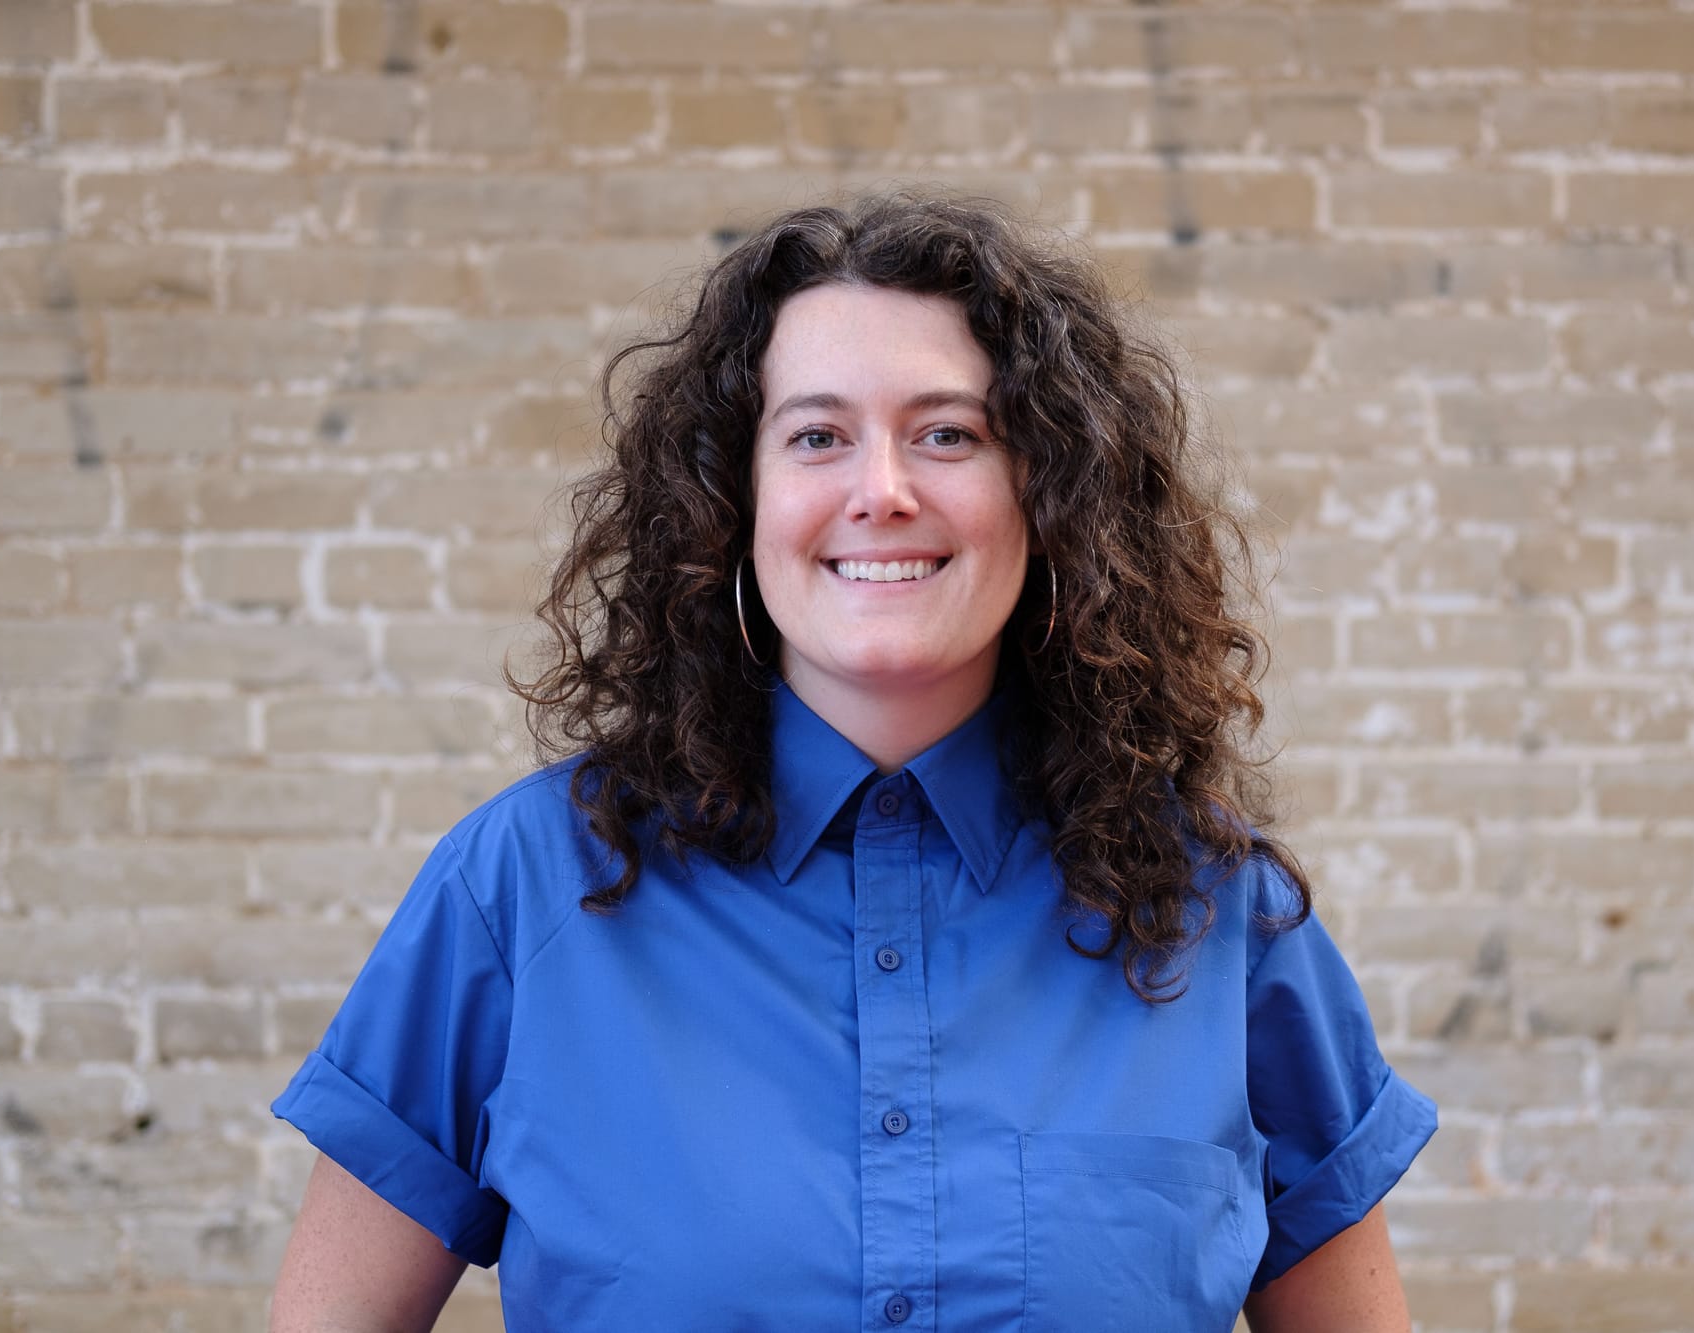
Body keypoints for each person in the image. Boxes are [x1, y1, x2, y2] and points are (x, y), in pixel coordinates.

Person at [269, 192, 1435, 1332]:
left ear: (1049, 498)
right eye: (816, 436)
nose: (880, 492)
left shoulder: (1219, 912)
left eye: (947, 434)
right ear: (732, 500)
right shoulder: (518, 889)